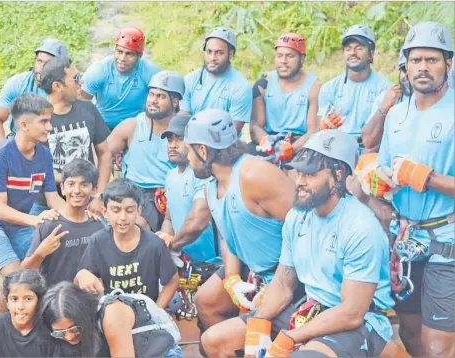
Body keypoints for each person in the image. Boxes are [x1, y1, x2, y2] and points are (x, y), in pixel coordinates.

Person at [205, 130, 394, 357]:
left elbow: (352, 312)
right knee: (214, 341)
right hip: (310, 309)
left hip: (359, 323)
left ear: (338, 176)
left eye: (310, 175)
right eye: (299, 173)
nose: (300, 182)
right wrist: (258, 323)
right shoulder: (297, 217)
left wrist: (293, 336)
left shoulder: (361, 227)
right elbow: (283, 284)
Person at [182, 109, 297, 351]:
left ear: (202, 151)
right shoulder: (210, 188)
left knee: (213, 341)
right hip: (253, 267)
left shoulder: (254, 174)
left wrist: (278, 285)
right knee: (207, 299)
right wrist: (232, 279)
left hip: (289, 274)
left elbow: (306, 230)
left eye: (188, 149)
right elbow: (227, 234)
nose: (186, 157)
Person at [375, 22, 454, 357]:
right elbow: (384, 168)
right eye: (416, 60)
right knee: (409, 331)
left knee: (438, 346)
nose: (423, 67)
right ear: (405, 67)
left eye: (432, 60)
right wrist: (377, 179)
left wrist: (426, 176)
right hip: (406, 243)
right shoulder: (396, 115)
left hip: (446, 241)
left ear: (448, 64)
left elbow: (420, 176)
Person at [0, 93, 66, 279]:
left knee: (47, 268)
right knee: (16, 280)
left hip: (20, 225)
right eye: (44, 122)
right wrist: (35, 220)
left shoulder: (44, 154)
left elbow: (53, 198)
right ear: (23, 125)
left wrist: (77, 216)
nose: (50, 127)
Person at [75, 178, 179, 307]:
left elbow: (172, 280)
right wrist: (82, 274)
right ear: (105, 212)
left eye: (129, 210)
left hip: (145, 315)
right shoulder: (98, 242)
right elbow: (79, 280)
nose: (123, 217)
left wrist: (157, 311)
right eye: (116, 210)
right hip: (110, 313)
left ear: (138, 212)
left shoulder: (155, 244)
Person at [107, 70, 184, 231]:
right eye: (151, 95)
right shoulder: (132, 126)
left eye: (160, 96)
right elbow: (103, 154)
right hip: (136, 192)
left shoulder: (186, 128)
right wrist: (106, 186)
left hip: (173, 193)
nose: (153, 101)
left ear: (175, 101)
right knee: (136, 224)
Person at [35, 56, 112, 216]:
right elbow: (33, 171)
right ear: (57, 86)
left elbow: (104, 153)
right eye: (76, 78)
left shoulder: (88, 109)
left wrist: (99, 195)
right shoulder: (36, 119)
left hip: (89, 200)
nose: (82, 81)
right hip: (47, 203)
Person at [41, 282, 183, 357]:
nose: (70, 337)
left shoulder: (112, 316)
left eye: (74, 329)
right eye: (60, 333)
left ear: (84, 315)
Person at [21, 159, 105, 287]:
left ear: (94, 189)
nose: (77, 190)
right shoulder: (50, 224)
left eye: (84, 185)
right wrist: (40, 253)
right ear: (63, 188)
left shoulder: (97, 226)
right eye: (71, 184)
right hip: (54, 302)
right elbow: (25, 271)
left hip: (86, 301)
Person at [249, 33, 322, 162]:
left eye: (290, 56)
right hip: (269, 140)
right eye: (279, 56)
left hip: (300, 143)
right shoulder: (263, 86)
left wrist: (290, 149)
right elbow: (255, 127)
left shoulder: (314, 87)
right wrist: (272, 145)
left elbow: (313, 130)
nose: (283, 61)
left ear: (302, 59)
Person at [158, 114, 221, 263]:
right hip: (185, 262)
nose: (172, 145)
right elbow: (168, 219)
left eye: (179, 139)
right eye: (169, 140)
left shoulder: (203, 174)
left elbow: (198, 221)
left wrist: (172, 244)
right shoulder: (170, 176)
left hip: (213, 263)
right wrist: (166, 247)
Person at [317, 24, 391, 151]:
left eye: (359, 48)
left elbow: (387, 132)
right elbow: (320, 127)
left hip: (371, 150)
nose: (352, 53)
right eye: (348, 49)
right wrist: (324, 125)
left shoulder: (385, 88)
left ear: (371, 54)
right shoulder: (329, 88)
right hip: (336, 148)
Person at [80, 27, 161, 129]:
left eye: (129, 54)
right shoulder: (99, 70)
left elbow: (164, 104)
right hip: (103, 126)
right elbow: (80, 105)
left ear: (139, 56)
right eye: (119, 51)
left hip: (137, 127)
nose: (122, 58)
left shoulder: (150, 72)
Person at [0, 38, 68, 142]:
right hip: (22, 144)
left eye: (48, 63)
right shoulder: (19, 83)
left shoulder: (69, 89)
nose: (41, 68)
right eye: (39, 61)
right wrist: (5, 149)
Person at [180, 27, 252, 133]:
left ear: (231, 54)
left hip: (223, 145)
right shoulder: (190, 80)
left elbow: (232, 130)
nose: (212, 57)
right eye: (209, 52)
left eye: (219, 53)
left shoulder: (241, 87)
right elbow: (183, 118)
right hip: (191, 140)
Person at [0, 269, 57, 357]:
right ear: (7, 302)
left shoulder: (51, 329)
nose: (20, 306)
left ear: (39, 301)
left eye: (28, 299)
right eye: (14, 299)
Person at [362, 49, 411, 152]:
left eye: (412, 70)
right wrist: (384, 108)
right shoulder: (388, 96)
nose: (407, 76)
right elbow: (368, 141)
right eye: (404, 70)